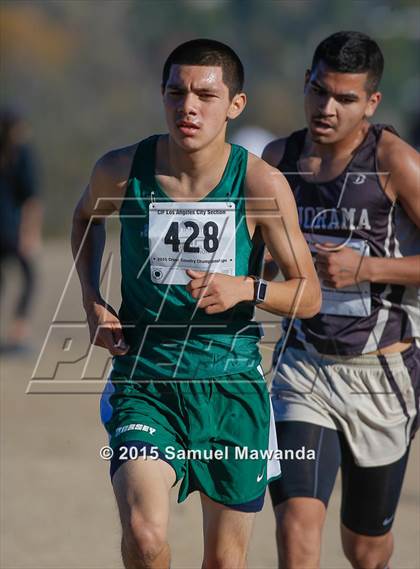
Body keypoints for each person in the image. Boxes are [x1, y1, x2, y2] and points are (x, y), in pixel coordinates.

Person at [71, 39, 320, 569]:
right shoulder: (122, 169)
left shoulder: (260, 184)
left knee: (225, 562)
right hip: (146, 381)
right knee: (144, 533)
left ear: (235, 105)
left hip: (231, 389)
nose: (188, 106)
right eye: (176, 92)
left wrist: (245, 288)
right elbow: (83, 218)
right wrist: (93, 300)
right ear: (162, 97)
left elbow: (309, 294)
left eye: (205, 95)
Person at [263, 31, 420, 569]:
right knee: (296, 526)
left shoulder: (397, 162)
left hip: (382, 375)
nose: (326, 108)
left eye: (345, 98)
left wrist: (368, 267)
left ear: (371, 102)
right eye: (317, 90)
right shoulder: (277, 159)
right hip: (302, 369)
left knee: (365, 548)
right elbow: (256, 256)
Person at [0, 108, 42, 352]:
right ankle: (18, 332)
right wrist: (30, 233)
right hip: (12, 230)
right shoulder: (22, 154)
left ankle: (17, 332)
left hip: (8, 229)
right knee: (29, 278)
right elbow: (32, 199)